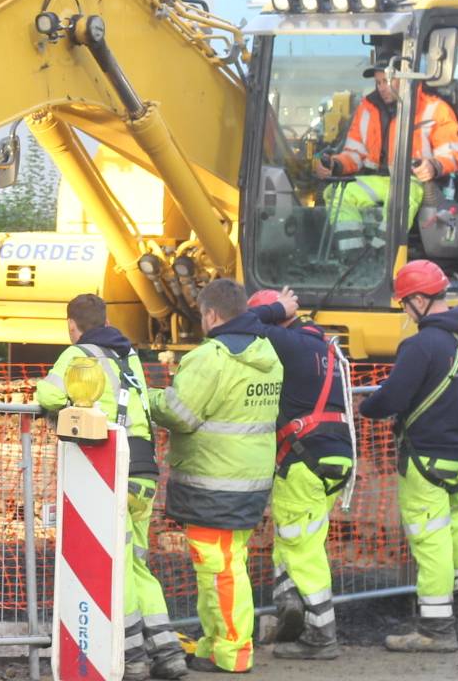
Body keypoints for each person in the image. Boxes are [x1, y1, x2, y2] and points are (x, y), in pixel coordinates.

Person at [33, 294, 186, 681]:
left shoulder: (79, 354)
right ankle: (169, 653)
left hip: (111, 471)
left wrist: (70, 402)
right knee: (136, 562)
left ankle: (131, 654)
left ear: (72, 324)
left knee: (117, 565)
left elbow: (47, 395)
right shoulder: (129, 354)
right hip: (145, 468)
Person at [358, 260, 458, 652]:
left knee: (428, 538)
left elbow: (393, 398)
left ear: (420, 299)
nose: (404, 310)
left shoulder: (419, 346)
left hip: (426, 460)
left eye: (404, 303)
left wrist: (367, 407)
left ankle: (436, 630)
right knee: (455, 522)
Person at [150, 279, 282, 674]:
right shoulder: (267, 352)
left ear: (210, 314)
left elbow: (179, 413)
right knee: (223, 564)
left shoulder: (211, 357)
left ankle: (232, 652)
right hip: (248, 481)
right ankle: (214, 644)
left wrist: (146, 398)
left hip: (214, 482)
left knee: (220, 569)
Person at [245, 288, 354, 660]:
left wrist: (277, 308)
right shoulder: (326, 349)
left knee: (301, 545)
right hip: (336, 456)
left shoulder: (286, 343)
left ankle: (322, 635)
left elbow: (240, 324)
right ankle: (289, 600)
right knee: (301, 535)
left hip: (303, 458)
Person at [314, 43, 458, 242]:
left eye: (386, 81)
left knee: (399, 197)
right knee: (337, 193)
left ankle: (383, 255)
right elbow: (355, 154)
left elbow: (452, 154)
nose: (381, 88)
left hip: (414, 182)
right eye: (378, 83)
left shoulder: (435, 108)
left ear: (405, 78)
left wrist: (433, 165)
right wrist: (335, 164)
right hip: (379, 180)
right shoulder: (367, 108)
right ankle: (351, 253)